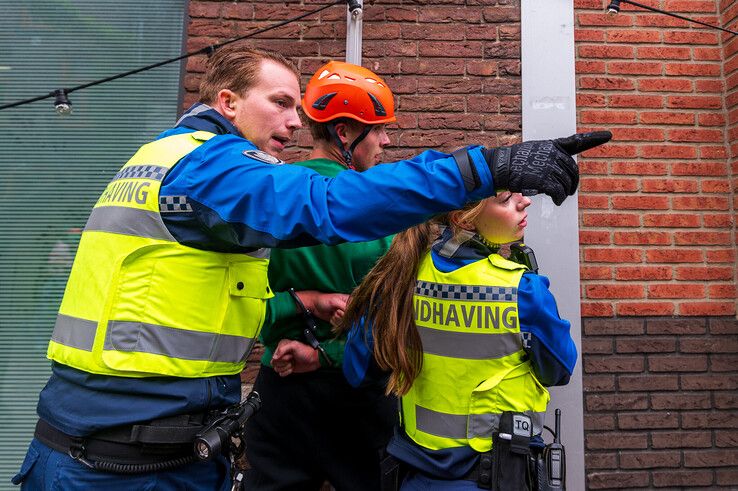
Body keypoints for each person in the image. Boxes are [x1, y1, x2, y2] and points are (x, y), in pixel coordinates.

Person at [11, 39, 607, 490]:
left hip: (137, 443)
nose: (296, 122)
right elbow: (325, 205)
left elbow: (200, 300)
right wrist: (485, 168)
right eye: (280, 104)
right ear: (226, 102)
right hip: (123, 463)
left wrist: (295, 307)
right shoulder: (208, 167)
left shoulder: (161, 158)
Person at [340, 191, 578, 490]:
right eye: (505, 199)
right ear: (462, 219)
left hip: (416, 478)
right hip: (496, 477)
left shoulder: (400, 277)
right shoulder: (523, 290)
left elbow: (358, 371)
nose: (524, 201)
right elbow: (559, 370)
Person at [243, 61, 399, 490]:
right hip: (356, 392)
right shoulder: (377, 208)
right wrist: (328, 354)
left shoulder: (268, 196)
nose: (385, 141)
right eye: (378, 129)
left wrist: (295, 309)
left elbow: (243, 304)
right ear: (345, 134)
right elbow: (390, 319)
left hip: (280, 390)